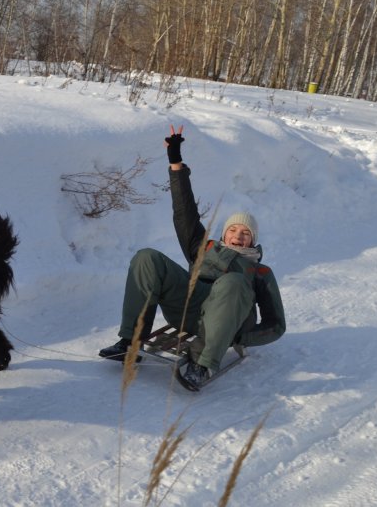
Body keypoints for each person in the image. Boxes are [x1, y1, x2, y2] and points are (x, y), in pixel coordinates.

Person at [98, 125, 286, 390]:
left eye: (245, 233)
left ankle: (202, 363)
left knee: (232, 282)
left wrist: (240, 336)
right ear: (224, 234)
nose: (238, 235)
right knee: (147, 257)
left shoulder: (260, 272)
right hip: (188, 310)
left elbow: (276, 325)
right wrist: (176, 164)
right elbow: (184, 212)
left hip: (226, 320)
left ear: (252, 241)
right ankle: (130, 341)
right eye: (233, 230)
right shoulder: (205, 247)